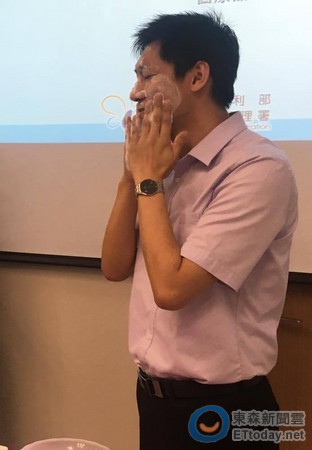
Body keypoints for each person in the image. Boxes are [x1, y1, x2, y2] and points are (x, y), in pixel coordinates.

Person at [101, 12, 298, 450]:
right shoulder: (165, 161)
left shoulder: (258, 167)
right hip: (154, 397)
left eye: (146, 75)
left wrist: (147, 180)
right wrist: (131, 176)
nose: (134, 92)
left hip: (227, 407)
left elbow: (172, 290)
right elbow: (113, 267)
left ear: (197, 76)